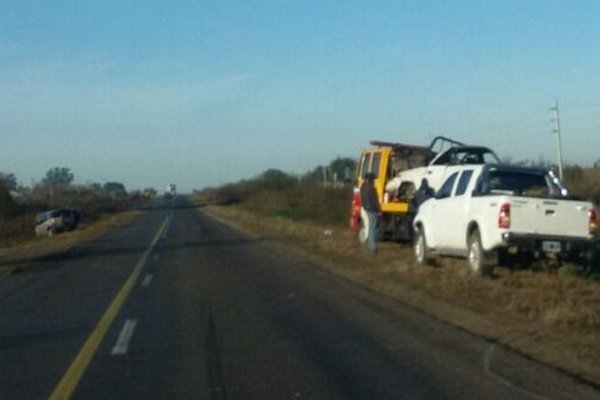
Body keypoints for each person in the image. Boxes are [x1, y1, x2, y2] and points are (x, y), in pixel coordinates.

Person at [360, 172, 381, 253]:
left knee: (370, 227)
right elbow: (375, 201)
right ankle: (373, 246)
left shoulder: (363, 188)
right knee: (373, 228)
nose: (374, 181)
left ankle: (370, 245)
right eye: (373, 180)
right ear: (370, 180)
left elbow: (363, 200)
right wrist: (379, 210)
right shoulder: (371, 189)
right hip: (373, 210)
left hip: (367, 209)